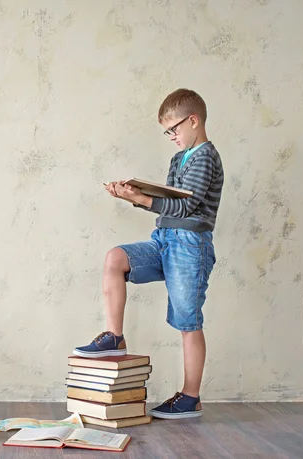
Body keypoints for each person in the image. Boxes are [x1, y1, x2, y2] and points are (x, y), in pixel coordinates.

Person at [73, 88, 224, 419]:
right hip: (165, 239)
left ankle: (190, 396)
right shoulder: (178, 159)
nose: (171, 136)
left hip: (190, 246)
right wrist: (132, 195)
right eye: (167, 131)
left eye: (174, 129)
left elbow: (188, 206)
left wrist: (142, 199)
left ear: (194, 120)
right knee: (116, 258)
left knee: (188, 321)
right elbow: (168, 208)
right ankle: (115, 337)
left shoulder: (205, 157)